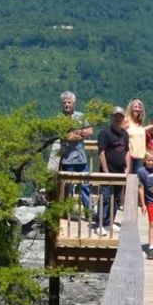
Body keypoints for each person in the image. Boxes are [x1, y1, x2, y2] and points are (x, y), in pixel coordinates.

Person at [56, 91, 93, 222]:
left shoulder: (80, 116)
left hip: (81, 158)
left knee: (85, 185)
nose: (67, 104)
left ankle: (89, 212)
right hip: (67, 159)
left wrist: (76, 133)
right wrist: (78, 134)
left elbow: (90, 131)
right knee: (68, 187)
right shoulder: (59, 118)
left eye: (69, 102)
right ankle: (68, 212)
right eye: (65, 102)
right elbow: (64, 136)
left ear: (74, 103)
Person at [93, 107, 130, 237]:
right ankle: (99, 224)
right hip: (107, 172)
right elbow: (101, 153)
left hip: (120, 172)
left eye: (120, 116)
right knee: (105, 198)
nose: (118, 118)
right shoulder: (105, 133)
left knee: (116, 199)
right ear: (111, 117)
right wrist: (106, 171)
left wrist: (127, 168)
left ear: (123, 118)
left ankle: (109, 222)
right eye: (116, 116)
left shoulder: (125, 134)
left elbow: (127, 151)